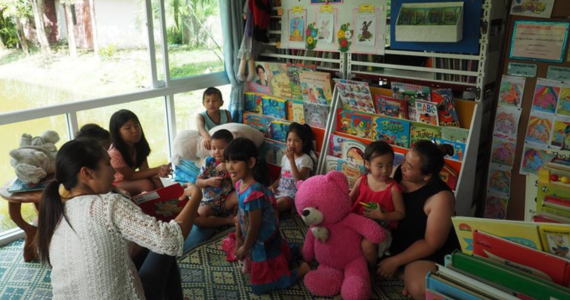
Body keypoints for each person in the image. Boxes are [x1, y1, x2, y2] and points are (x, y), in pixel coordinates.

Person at [36, 138, 202, 300]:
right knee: (164, 248)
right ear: (86, 173)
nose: (114, 172)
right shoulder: (108, 204)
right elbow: (171, 240)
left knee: (151, 244)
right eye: (108, 164)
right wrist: (195, 196)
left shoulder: (56, 212)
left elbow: (115, 248)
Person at [224, 138, 310, 294]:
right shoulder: (239, 184)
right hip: (255, 238)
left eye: (235, 161)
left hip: (263, 242)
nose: (229, 166)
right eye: (228, 161)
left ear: (250, 163)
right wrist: (238, 237)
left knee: (260, 286)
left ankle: (300, 270)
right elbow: (241, 216)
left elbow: (255, 227)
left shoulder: (254, 194)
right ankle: (292, 253)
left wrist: (245, 247)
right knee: (273, 257)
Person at [377, 140, 459, 300]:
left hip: (424, 250)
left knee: (420, 289)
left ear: (427, 176)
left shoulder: (441, 197)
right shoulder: (399, 172)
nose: (402, 167)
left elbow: (431, 244)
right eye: (405, 160)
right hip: (397, 239)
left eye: (410, 166)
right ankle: (403, 273)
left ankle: (407, 273)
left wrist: (395, 261)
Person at [350, 141, 404, 267]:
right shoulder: (362, 180)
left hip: (380, 229)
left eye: (389, 165)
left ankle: (371, 269)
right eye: (379, 166)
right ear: (368, 164)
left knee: (367, 245)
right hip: (357, 224)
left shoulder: (393, 188)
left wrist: (383, 216)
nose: (385, 170)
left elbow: (401, 214)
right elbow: (349, 200)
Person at [108, 109, 171, 196]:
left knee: (156, 180)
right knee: (145, 184)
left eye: (136, 126)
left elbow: (144, 170)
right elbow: (130, 175)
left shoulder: (138, 144)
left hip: (130, 179)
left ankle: (166, 203)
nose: (134, 131)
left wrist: (159, 172)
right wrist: (157, 169)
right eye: (128, 128)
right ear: (117, 132)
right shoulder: (114, 153)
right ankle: (149, 208)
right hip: (117, 183)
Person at [194, 129, 238, 228]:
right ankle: (229, 220)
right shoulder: (209, 161)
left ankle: (234, 214)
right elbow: (198, 182)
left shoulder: (234, 162)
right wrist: (208, 181)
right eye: (213, 148)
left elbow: (239, 185)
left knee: (244, 195)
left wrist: (229, 170)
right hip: (209, 203)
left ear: (230, 147)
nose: (216, 152)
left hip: (227, 202)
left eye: (221, 148)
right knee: (197, 218)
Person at [269, 123, 315, 213]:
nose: (291, 144)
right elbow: (280, 178)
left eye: (296, 141)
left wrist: (291, 160)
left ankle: (272, 213)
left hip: (294, 195)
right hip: (280, 191)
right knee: (263, 197)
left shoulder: (305, 159)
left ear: (304, 143)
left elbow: (299, 180)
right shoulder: (285, 157)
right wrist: (272, 186)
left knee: (277, 204)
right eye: (289, 140)